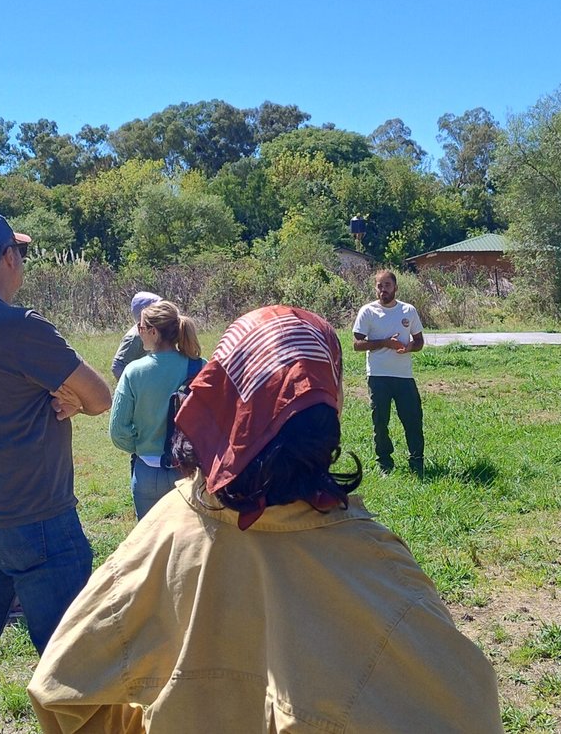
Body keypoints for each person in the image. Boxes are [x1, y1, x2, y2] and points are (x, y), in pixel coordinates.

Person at [28, 305, 505, 734]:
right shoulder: (378, 564)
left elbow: (60, 691)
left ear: (223, 397)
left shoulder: (167, 526)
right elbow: (468, 712)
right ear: (328, 412)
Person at [0, 212, 114, 734]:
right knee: (70, 657)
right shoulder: (20, 326)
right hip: (36, 519)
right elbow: (100, 397)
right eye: (22, 253)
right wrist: (74, 402)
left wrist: (63, 399)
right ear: (9, 257)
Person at [108, 300, 203, 519]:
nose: (138, 332)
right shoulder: (200, 367)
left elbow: (118, 432)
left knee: (150, 537)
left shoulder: (133, 372)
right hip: (191, 472)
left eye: (140, 327)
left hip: (148, 474)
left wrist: (143, 447)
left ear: (153, 332)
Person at [352, 269, 426, 475]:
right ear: (375, 289)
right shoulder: (368, 311)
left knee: (413, 420)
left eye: (387, 285)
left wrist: (410, 347)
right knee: (380, 422)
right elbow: (357, 344)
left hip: (404, 376)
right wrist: (385, 343)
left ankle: (417, 462)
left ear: (395, 287)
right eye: (380, 286)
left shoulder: (408, 310)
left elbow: (419, 341)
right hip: (378, 376)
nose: (383, 289)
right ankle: (385, 463)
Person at [111, 290, 162, 379]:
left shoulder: (155, 331)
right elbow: (117, 366)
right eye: (157, 309)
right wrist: (132, 384)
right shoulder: (134, 338)